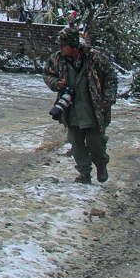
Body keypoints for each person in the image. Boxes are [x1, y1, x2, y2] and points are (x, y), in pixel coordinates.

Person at [42, 27, 117, 184]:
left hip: (93, 108)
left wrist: (107, 100)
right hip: (72, 109)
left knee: (96, 141)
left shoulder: (95, 58)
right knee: (76, 143)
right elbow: (47, 73)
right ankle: (84, 173)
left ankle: (101, 165)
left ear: (74, 45)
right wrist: (56, 83)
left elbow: (110, 77)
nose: (60, 49)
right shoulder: (57, 59)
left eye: (63, 45)